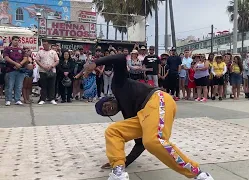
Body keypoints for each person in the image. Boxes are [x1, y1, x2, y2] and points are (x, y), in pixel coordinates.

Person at [85, 54, 214, 180]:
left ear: (110, 98)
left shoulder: (118, 86)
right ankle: (118, 172)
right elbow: (140, 144)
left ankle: (199, 174)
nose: (108, 109)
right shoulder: (128, 114)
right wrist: (124, 162)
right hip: (145, 114)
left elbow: (119, 58)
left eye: (106, 106)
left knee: (152, 140)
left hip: (157, 99)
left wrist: (96, 63)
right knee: (113, 131)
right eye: (106, 112)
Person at [4, 36, 28, 106]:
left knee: (19, 86)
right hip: (10, 70)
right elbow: (6, 58)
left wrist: (20, 64)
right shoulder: (7, 49)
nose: (16, 41)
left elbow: (25, 58)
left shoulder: (21, 50)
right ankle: (8, 100)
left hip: (20, 70)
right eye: (15, 40)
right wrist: (15, 63)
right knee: (9, 85)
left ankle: (17, 99)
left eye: (17, 40)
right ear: (12, 41)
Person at [35, 39, 59, 105]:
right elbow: (37, 60)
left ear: (49, 44)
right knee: (43, 86)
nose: (44, 45)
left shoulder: (53, 52)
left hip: (52, 71)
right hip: (43, 71)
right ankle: (43, 99)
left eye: (46, 44)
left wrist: (52, 66)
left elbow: (57, 61)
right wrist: (43, 66)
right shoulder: (40, 52)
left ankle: (52, 99)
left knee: (52, 85)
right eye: (43, 44)